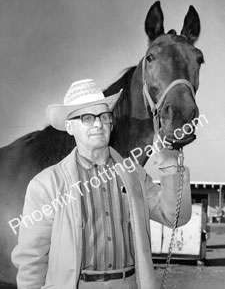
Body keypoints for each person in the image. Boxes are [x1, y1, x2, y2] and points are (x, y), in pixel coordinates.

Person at [12, 79, 191, 289]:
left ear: (111, 123)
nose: (98, 124)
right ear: (70, 127)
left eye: (104, 116)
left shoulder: (135, 175)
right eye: (87, 118)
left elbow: (176, 217)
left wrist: (170, 167)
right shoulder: (46, 185)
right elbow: (31, 260)